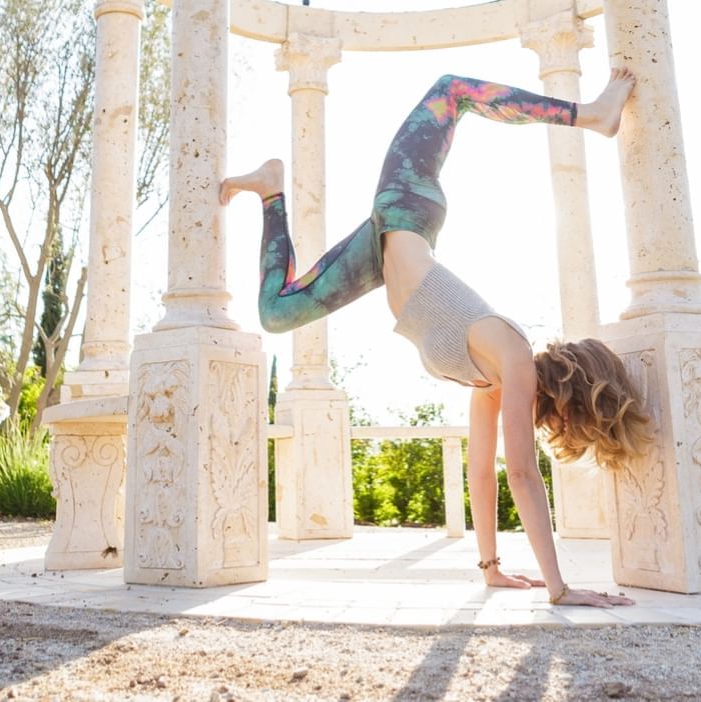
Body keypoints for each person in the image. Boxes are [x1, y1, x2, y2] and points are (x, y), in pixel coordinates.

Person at [220, 68, 653, 608]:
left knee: (277, 313)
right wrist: (560, 589)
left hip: (382, 249)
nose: (564, 431)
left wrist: (491, 568)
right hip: (407, 205)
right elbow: (521, 473)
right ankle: (592, 115)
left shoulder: (489, 379)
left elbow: (483, 470)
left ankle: (271, 189)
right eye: (579, 423)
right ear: (575, 396)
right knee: (452, 89)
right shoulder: (515, 357)